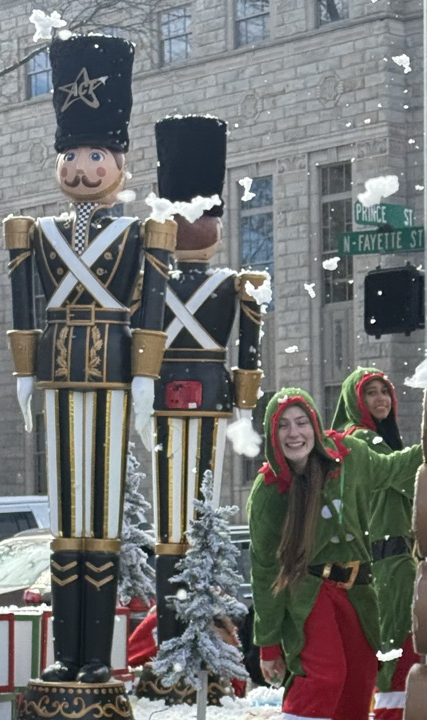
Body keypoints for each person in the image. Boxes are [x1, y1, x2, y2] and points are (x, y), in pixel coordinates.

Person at [4, 34, 175, 683]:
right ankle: (65, 654)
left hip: (108, 381)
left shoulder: (140, 233)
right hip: (61, 378)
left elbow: (152, 307)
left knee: (99, 520)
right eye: (72, 154)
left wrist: (143, 379)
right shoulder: (36, 232)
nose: (81, 167)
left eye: (95, 153)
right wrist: (25, 373)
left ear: (119, 162)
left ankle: (94, 660)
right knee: (64, 522)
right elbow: (24, 304)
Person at [248, 388, 421, 720]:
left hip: (359, 588)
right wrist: (269, 641)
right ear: (273, 435)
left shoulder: (353, 456)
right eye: (283, 425)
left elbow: (394, 469)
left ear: (315, 424)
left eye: (301, 422)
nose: (294, 434)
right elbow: (264, 570)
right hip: (308, 591)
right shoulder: (271, 491)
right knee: (325, 672)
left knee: (361, 671)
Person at [149, 114, 268, 654]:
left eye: (203, 217)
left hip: (209, 400)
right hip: (166, 399)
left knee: (202, 506)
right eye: (181, 216)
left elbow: (249, 350)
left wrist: (244, 407)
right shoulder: (150, 280)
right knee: (168, 517)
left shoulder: (235, 284)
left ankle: (198, 641)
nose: (192, 229)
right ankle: (173, 638)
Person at [333, 368, 420, 720]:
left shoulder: (378, 438)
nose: (381, 399)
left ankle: (388, 719)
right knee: (396, 638)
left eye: (385, 391)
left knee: (395, 638)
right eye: (370, 393)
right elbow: (405, 476)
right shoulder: (363, 439)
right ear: (356, 401)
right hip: (386, 558)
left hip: (390, 557)